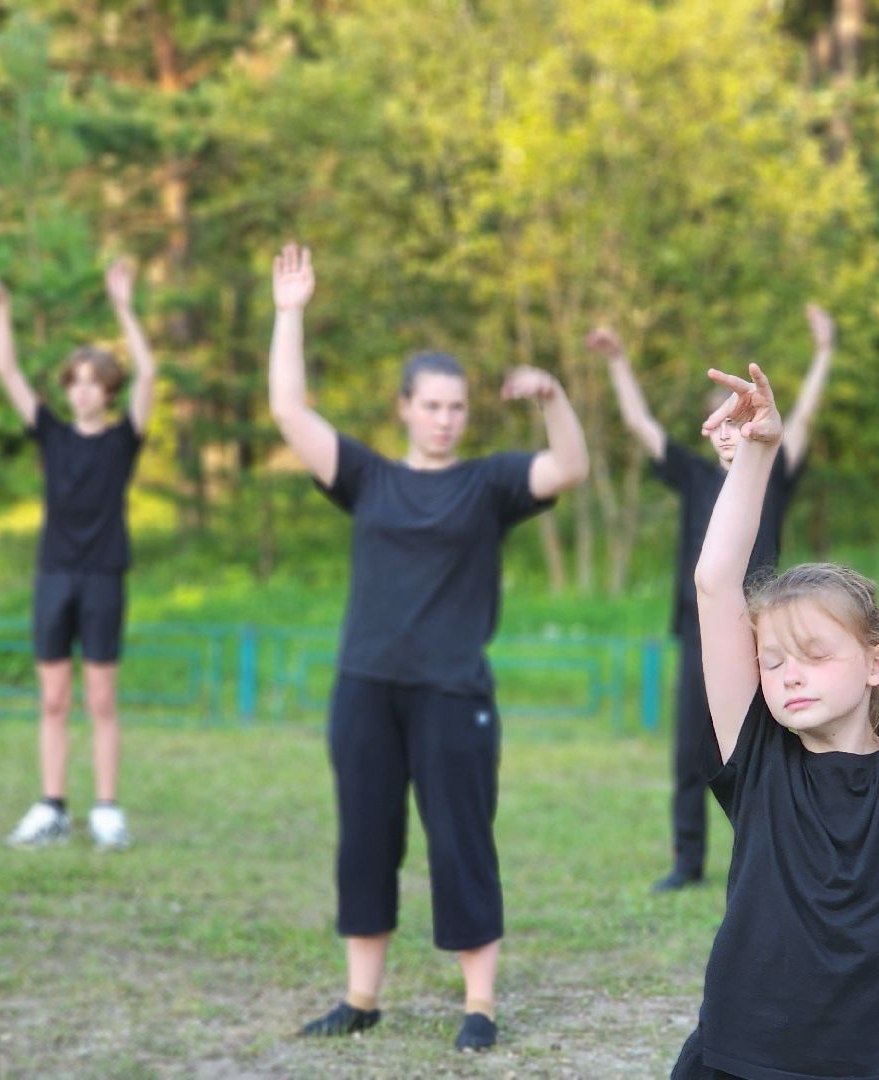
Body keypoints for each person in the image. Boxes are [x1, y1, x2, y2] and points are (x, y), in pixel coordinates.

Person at [267, 244, 590, 1052]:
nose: (446, 418)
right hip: (366, 689)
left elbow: (572, 467)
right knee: (366, 838)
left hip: (452, 694)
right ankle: (361, 997)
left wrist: (553, 396)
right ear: (404, 407)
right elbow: (288, 413)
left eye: (457, 407)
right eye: (433, 405)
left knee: (460, 840)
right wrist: (290, 311)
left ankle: (478, 1006)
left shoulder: (489, 484)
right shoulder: (367, 477)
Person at [670, 330, 879, 1078]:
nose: (788, 675)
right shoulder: (755, 758)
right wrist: (758, 452)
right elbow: (715, 584)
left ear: (875, 661)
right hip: (740, 1059)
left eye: (816, 655)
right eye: (773, 659)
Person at [591, 305, 834, 892]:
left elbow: (799, 419)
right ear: (711, 433)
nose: (728, 430)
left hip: (765, 634)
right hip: (700, 634)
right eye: (718, 423)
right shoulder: (696, 481)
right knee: (693, 752)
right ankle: (687, 862)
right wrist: (620, 363)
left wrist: (824, 352)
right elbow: (641, 426)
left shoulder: (772, 474)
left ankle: (776, 853)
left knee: (776, 747)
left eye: (737, 419)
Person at [0, 254, 157, 853]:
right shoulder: (51, 433)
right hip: (54, 575)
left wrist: (123, 307)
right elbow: (7, 371)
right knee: (52, 697)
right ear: (68, 390)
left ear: (108, 392)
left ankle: (105, 810)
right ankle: (51, 806)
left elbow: (149, 375)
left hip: (103, 577)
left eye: (95, 383)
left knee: (100, 698)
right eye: (75, 382)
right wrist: (2, 305)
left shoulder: (125, 439)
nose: (83, 392)